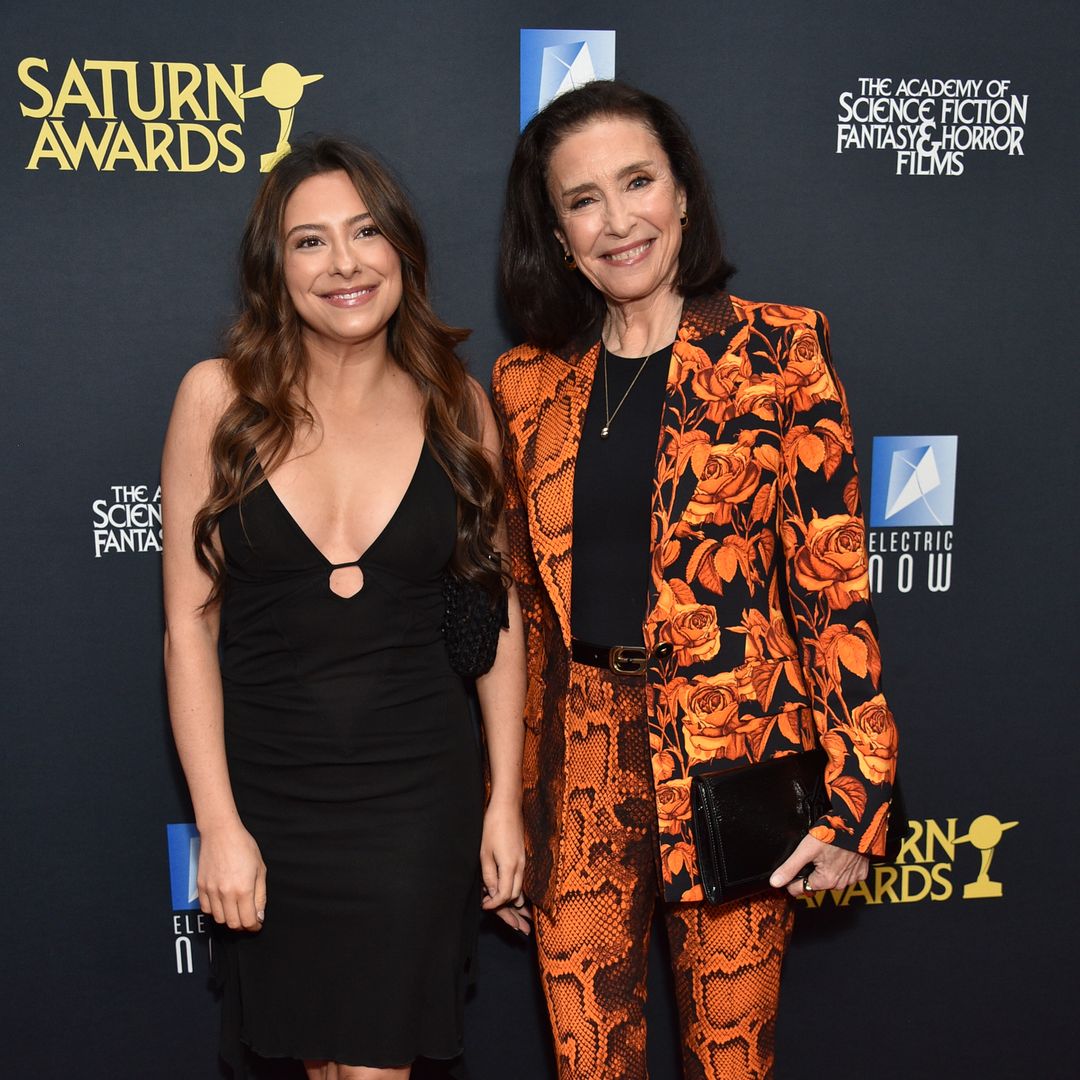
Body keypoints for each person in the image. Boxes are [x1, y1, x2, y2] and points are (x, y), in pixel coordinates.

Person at [492, 81, 898, 1079]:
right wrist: (506, 801)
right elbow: (520, 622)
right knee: (591, 1062)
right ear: (556, 229)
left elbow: (831, 585)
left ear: (682, 193)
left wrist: (859, 794)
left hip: (738, 757)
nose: (618, 219)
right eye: (584, 199)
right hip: (577, 765)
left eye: (639, 182)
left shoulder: (781, 350)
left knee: (730, 1060)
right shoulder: (526, 384)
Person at [161, 136, 528, 1080]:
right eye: (309, 241)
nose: (345, 263)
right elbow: (189, 631)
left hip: (416, 798)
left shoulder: (460, 408)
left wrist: (504, 803)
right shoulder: (218, 401)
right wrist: (220, 823)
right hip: (272, 798)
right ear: (274, 271)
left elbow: (493, 624)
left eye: (365, 232)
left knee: (373, 1067)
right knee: (313, 1063)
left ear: (401, 247)